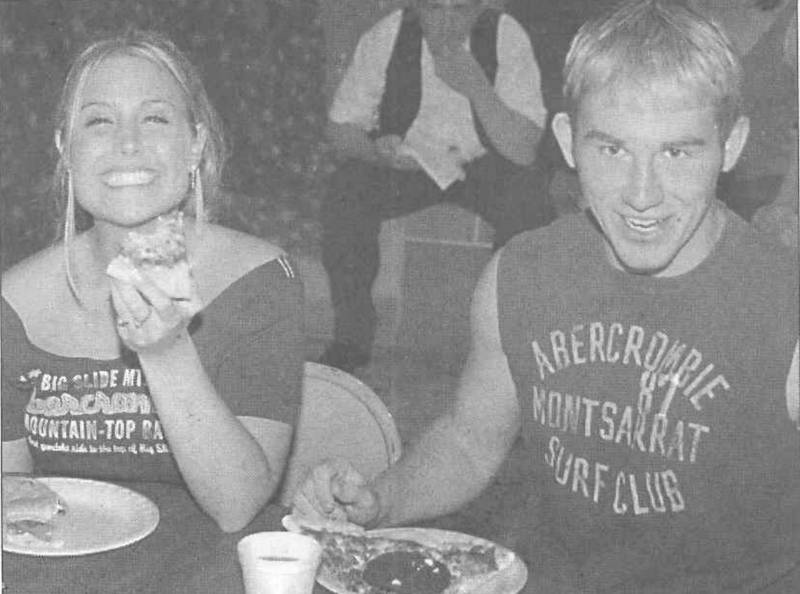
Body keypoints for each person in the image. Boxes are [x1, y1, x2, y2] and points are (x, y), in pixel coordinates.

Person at [294, 1, 800, 590]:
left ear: (731, 145)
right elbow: (468, 443)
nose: (643, 193)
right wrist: (379, 501)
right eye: (611, 149)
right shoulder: (521, 275)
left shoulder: (783, 309)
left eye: (677, 152)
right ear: (567, 141)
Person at [1, 30, 305, 533]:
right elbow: (13, 504)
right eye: (99, 121)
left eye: (155, 118)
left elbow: (238, 505)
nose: (128, 143)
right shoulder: (10, 304)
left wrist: (165, 350)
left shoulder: (260, 282)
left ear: (195, 144)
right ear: (65, 148)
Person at [318, 0, 552, 373]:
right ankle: (353, 334)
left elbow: (523, 150)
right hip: (409, 163)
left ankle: (504, 346)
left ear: (478, 8)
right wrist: (377, 153)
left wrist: (476, 87)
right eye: (433, 8)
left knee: (530, 203)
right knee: (346, 191)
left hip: (482, 164)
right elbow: (339, 128)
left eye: (458, 9)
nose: (444, 20)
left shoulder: (506, 35)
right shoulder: (389, 33)